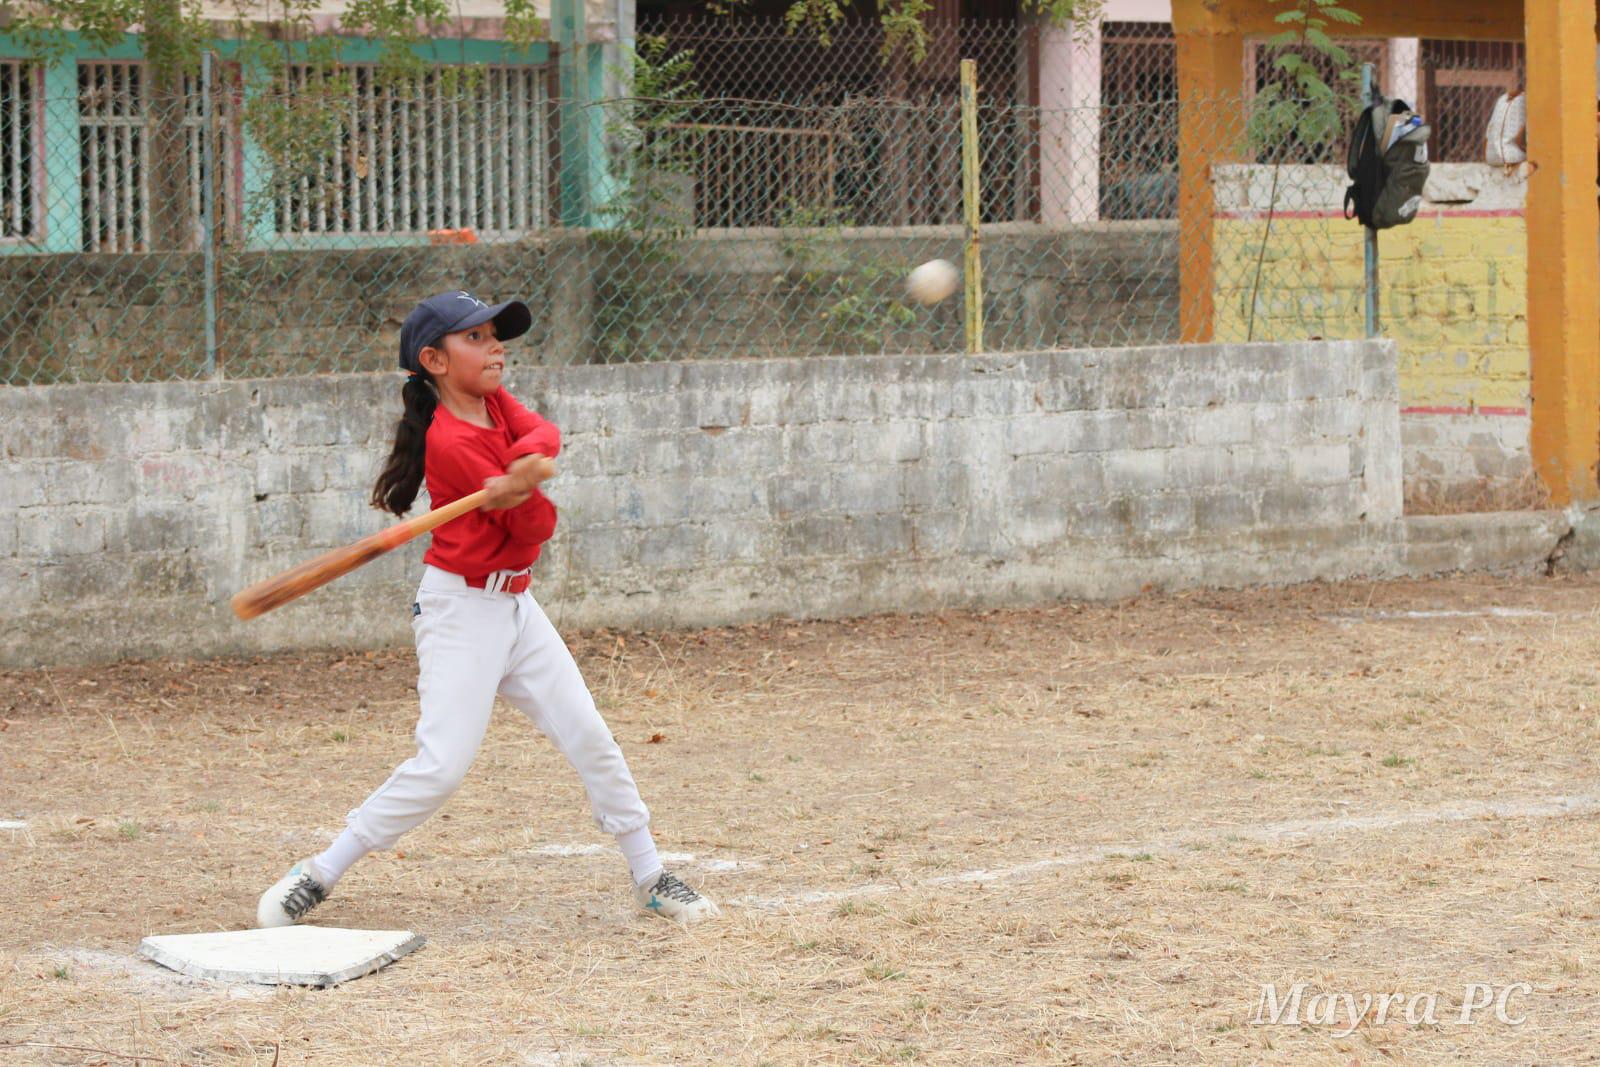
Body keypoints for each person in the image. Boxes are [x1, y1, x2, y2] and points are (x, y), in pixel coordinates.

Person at [256, 290, 719, 928]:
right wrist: (523, 488)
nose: (495, 346)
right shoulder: (450, 441)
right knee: (441, 767)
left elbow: (541, 430)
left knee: (590, 736)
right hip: (462, 612)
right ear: (434, 360)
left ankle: (650, 875)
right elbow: (535, 530)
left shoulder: (492, 402)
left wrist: (524, 464)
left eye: (494, 334)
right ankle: (318, 871)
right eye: (474, 338)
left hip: (516, 607)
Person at [1485, 86, 1527, 166]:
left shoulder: (1502, 99)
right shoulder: (1525, 100)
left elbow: (1488, 133)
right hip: (1509, 156)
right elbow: (1519, 139)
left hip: (1490, 156)